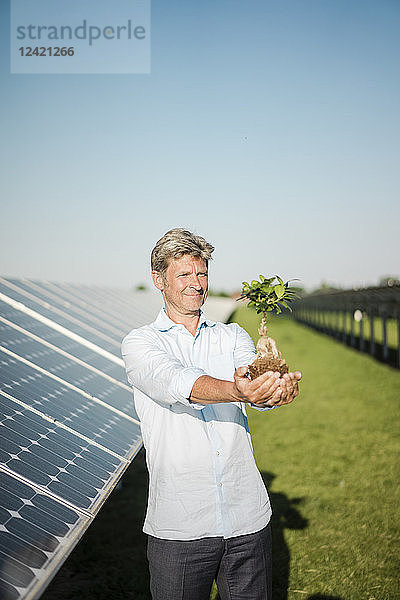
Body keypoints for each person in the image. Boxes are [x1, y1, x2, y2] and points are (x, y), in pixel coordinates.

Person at [121, 228, 301, 600]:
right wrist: (235, 389)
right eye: (184, 274)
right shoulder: (141, 343)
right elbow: (178, 382)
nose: (196, 284)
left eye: (201, 273)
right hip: (181, 526)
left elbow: (253, 386)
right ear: (159, 280)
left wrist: (274, 391)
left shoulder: (232, 335)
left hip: (247, 518)